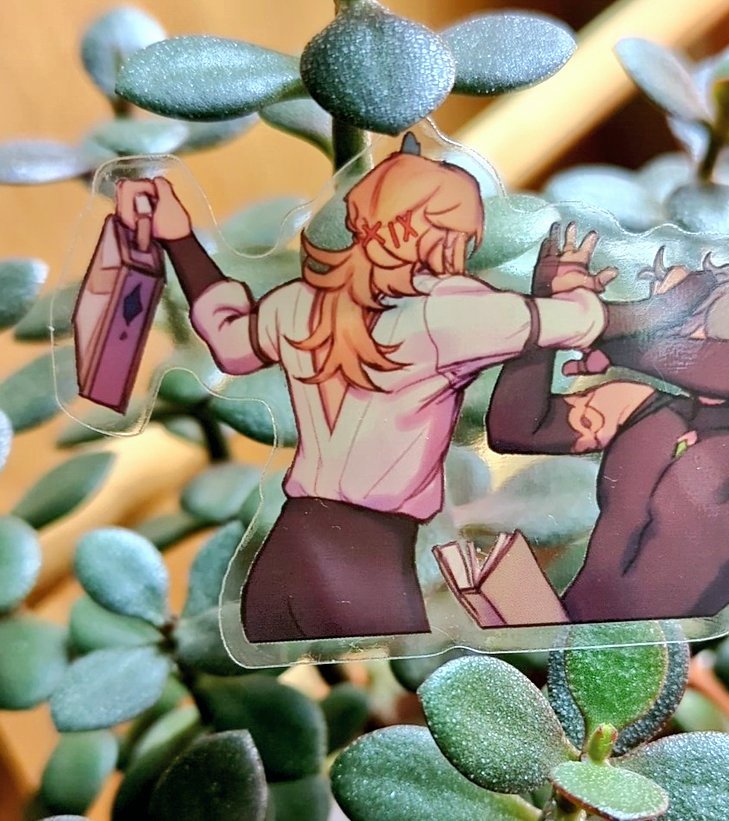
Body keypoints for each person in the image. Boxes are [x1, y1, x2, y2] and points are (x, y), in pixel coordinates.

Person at [112, 138, 684, 642]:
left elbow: (229, 338)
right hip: (370, 562)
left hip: (287, 552)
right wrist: (616, 297)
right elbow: (585, 321)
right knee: (429, 709)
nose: (462, 253)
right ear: (439, 237)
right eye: (460, 237)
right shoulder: (446, 316)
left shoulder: (297, 304)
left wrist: (180, 239)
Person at [486, 243, 729, 622]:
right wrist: (550, 313)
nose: (655, 325)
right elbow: (515, 428)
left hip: (657, 651)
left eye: (673, 314)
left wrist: (611, 328)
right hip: (559, 625)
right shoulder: (642, 408)